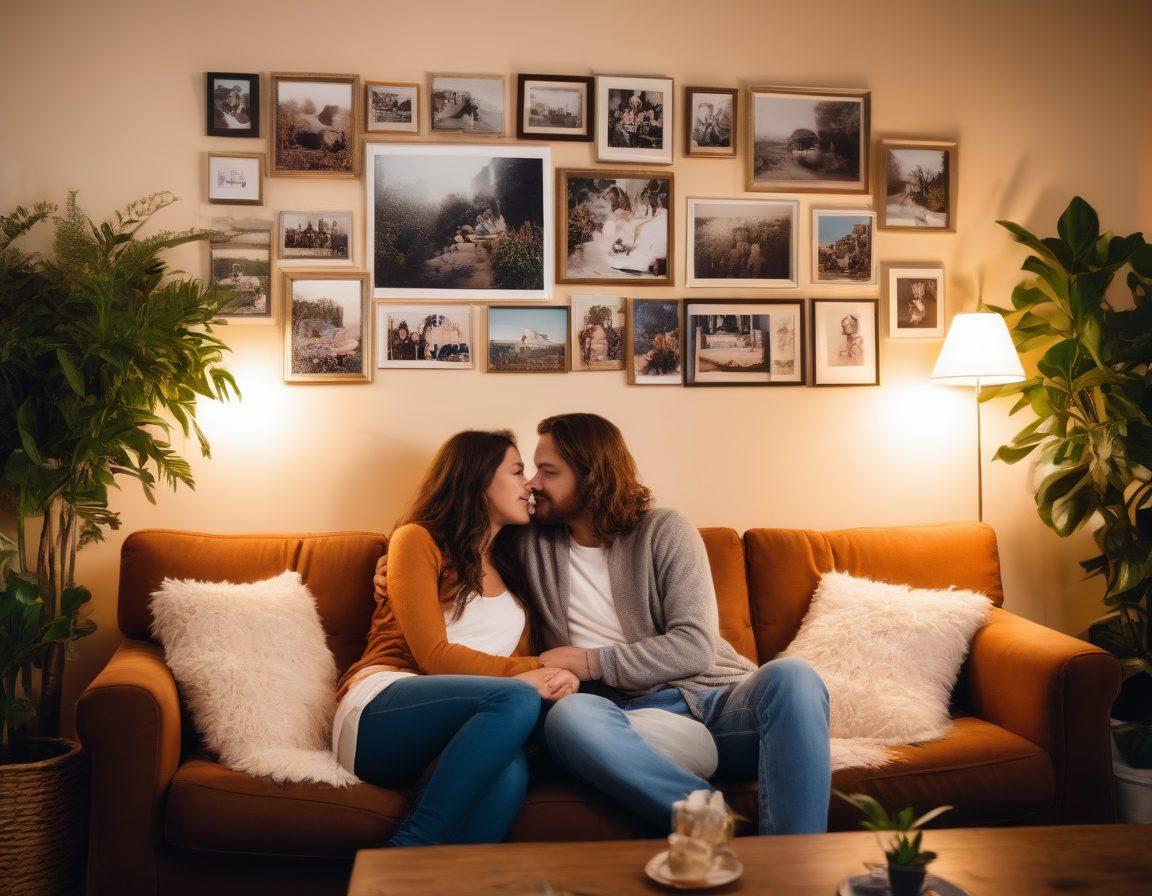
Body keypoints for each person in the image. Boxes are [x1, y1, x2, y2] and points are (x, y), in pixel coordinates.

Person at [518, 414, 831, 836]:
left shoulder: (663, 529)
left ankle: (793, 866)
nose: (534, 482)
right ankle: (709, 822)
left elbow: (694, 645)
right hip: (616, 721)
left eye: (549, 471)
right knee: (568, 717)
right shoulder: (530, 541)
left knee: (795, 676)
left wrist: (588, 661)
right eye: (534, 470)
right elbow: (453, 538)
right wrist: (400, 564)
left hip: (714, 705)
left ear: (592, 477)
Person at [335, 431, 580, 847]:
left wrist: (564, 679)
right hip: (381, 709)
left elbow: (517, 668)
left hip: (459, 730)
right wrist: (539, 668)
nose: (530, 484)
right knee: (516, 698)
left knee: (511, 769)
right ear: (477, 479)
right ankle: (406, 850)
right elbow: (434, 656)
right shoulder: (417, 539)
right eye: (518, 471)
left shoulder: (514, 563)